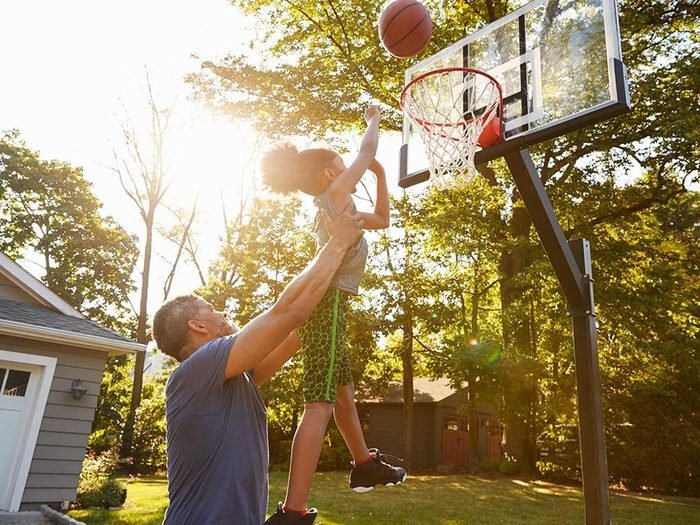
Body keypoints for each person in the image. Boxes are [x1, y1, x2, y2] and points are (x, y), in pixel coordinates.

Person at [152, 207, 363, 525]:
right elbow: (287, 312)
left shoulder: (237, 376)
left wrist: (336, 280)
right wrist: (336, 244)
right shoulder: (197, 368)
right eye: (211, 309)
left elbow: (297, 330)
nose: (221, 312)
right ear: (197, 326)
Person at [260, 105, 407, 525]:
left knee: (341, 391)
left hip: (333, 305)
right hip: (328, 305)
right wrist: (373, 120)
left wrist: (380, 177)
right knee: (319, 404)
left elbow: (380, 220)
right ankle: (292, 511)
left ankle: (363, 464)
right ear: (330, 174)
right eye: (343, 166)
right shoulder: (335, 196)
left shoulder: (339, 207)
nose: (351, 168)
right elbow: (367, 150)